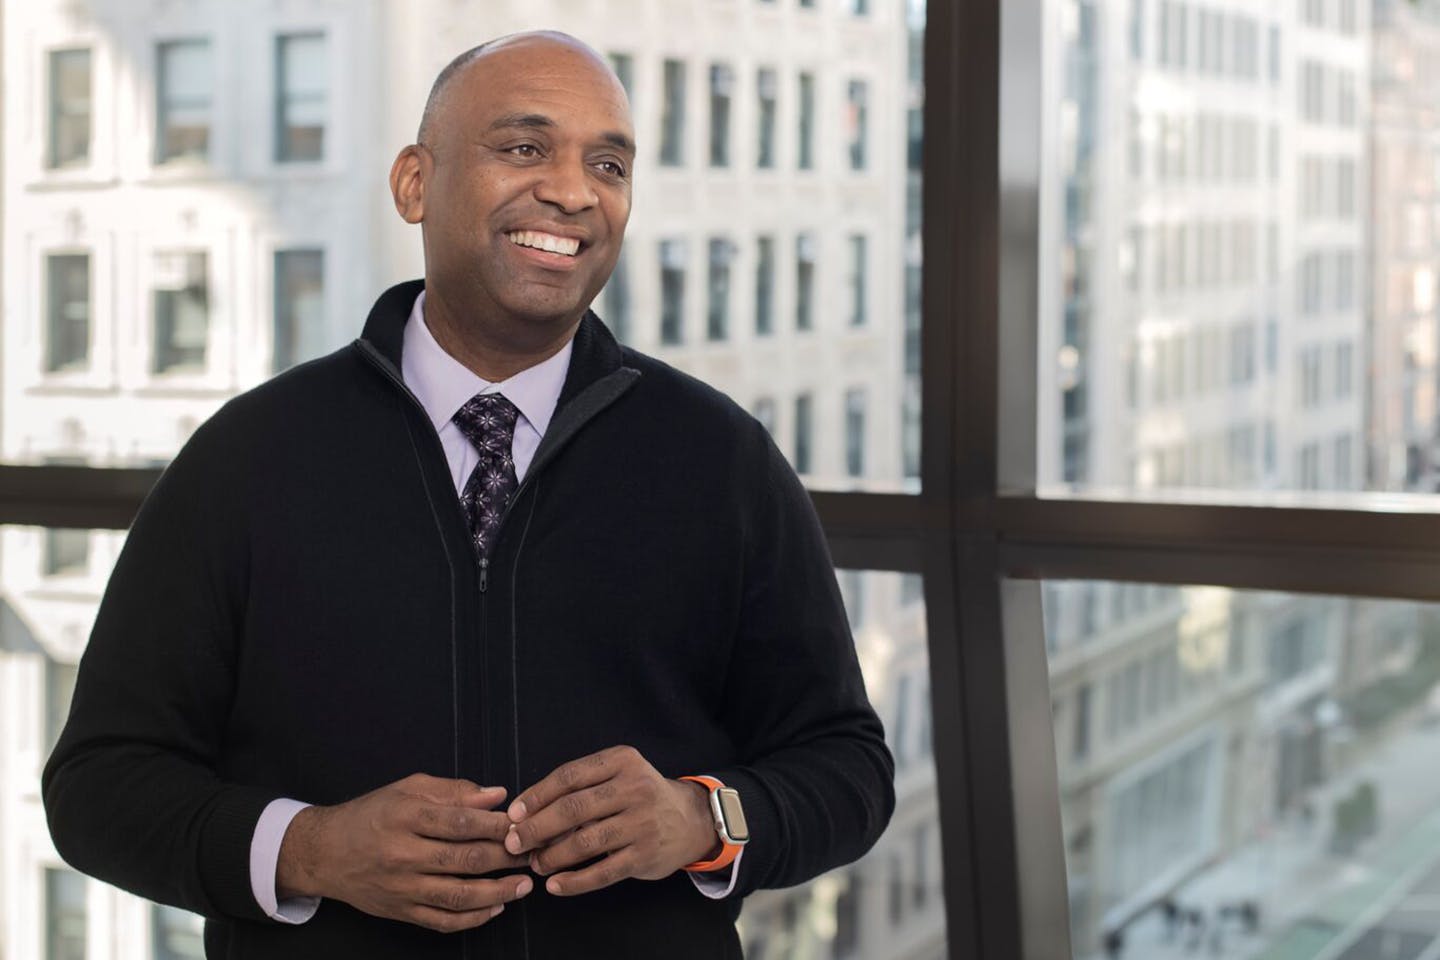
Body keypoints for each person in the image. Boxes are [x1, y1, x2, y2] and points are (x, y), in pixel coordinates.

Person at [41, 31, 894, 960]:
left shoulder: (721, 459)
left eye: (607, 163)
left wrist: (703, 817)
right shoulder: (249, 459)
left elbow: (847, 768)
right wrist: (310, 849)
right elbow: (99, 787)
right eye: (524, 148)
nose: (573, 191)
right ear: (414, 182)